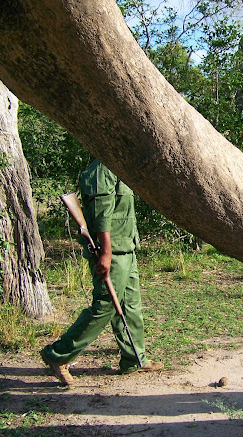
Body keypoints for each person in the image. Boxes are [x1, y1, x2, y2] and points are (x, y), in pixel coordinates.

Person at [40, 159, 162, 385]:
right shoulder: (101, 169)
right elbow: (101, 213)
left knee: (130, 304)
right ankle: (57, 355)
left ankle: (134, 359)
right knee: (105, 305)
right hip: (112, 251)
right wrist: (106, 252)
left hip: (126, 247)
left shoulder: (117, 166)